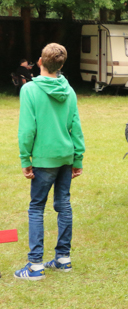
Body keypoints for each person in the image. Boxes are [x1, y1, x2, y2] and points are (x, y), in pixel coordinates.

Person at [15, 43, 84, 281]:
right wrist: (78, 159)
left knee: (37, 207)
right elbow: (76, 127)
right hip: (65, 157)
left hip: (44, 159)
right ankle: (63, 259)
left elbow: (27, 130)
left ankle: (35, 266)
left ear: (40, 62)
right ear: (61, 65)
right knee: (63, 205)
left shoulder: (30, 90)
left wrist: (25, 159)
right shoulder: (70, 91)